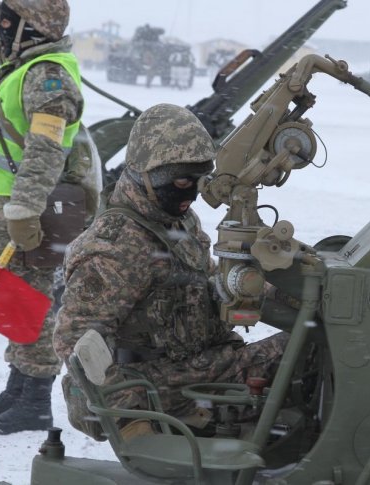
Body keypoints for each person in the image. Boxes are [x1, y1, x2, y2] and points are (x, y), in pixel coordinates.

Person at [54, 103, 289, 441]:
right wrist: (129, 418)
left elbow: (208, 281)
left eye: (198, 180)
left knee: (314, 346)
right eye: (180, 180)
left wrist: (277, 291)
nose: (190, 193)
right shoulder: (115, 246)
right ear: (144, 173)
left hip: (204, 363)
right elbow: (76, 340)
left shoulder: (177, 220)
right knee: (306, 354)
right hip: (158, 384)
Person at [0, 0, 84, 435]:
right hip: (4, 209)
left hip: (26, 213)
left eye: (10, 20)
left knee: (32, 304)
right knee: (14, 300)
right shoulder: (19, 61)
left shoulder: (46, 77)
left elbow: (45, 151)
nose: (1, 26)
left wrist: (24, 208)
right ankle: (18, 387)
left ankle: (34, 402)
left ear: (29, 29)